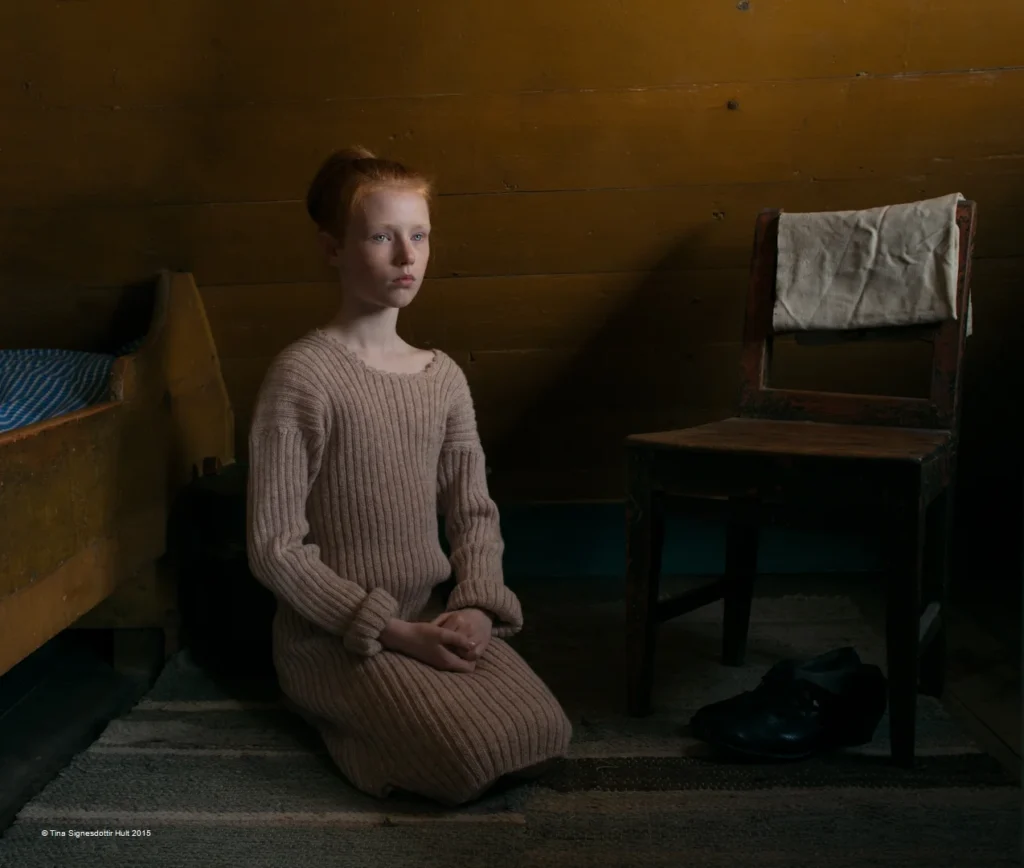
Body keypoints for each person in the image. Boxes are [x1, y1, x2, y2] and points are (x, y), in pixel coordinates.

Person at [246, 146, 572, 806]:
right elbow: (274, 548)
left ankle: (412, 708)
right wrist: (388, 631)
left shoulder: (442, 376)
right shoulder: (301, 377)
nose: (407, 257)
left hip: (432, 614)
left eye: (419, 235)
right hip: (337, 635)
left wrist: (476, 606)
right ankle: (338, 722)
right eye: (381, 237)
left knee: (545, 733)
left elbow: (472, 509)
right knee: (466, 761)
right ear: (334, 249)